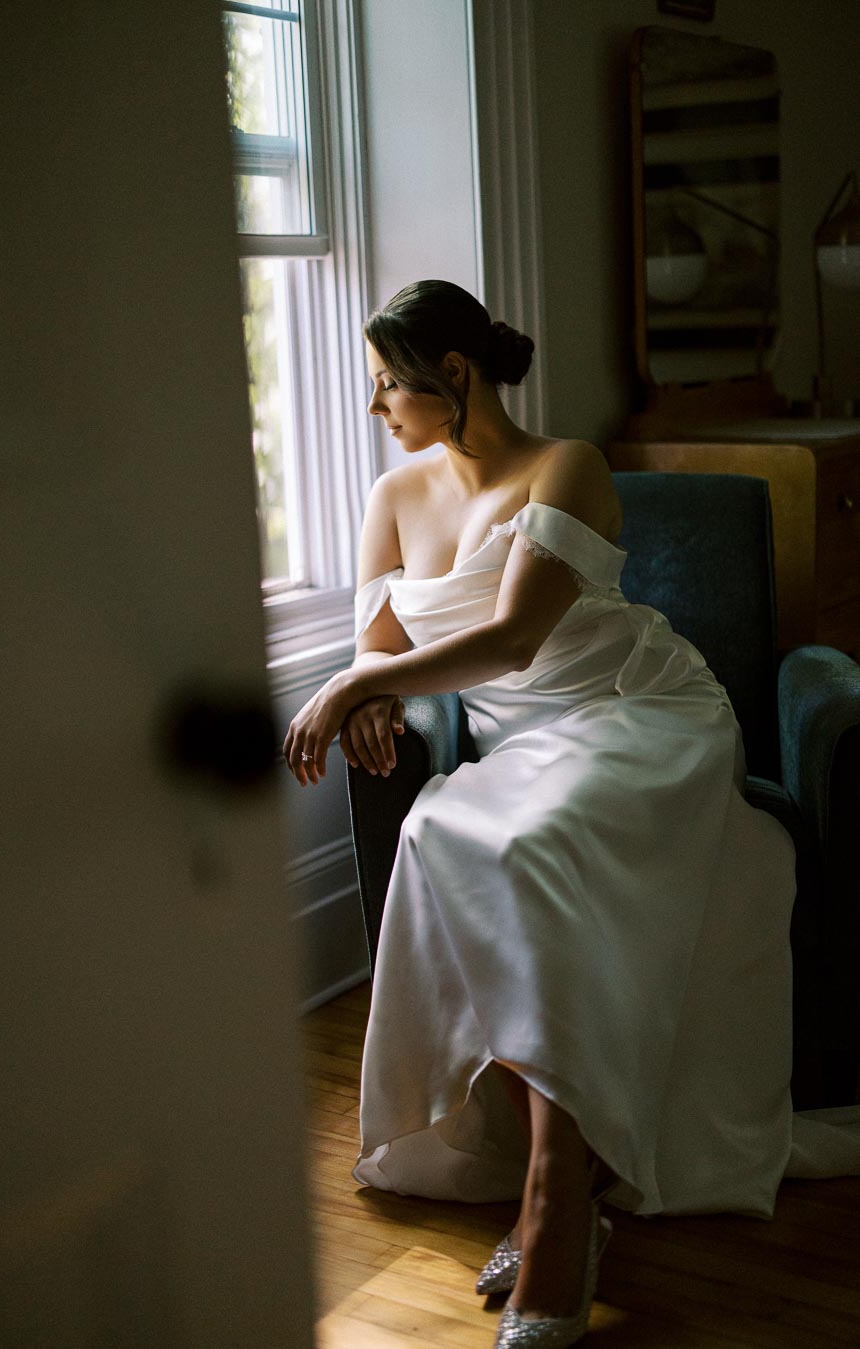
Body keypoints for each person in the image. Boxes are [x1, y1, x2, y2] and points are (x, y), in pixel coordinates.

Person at [284, 280, 859, 1347]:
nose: (375, 408)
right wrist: (368, 686)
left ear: (454, 376)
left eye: (386, 386)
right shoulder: (393, 495)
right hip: (522, 742)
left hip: (640, 713)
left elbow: (508, 640)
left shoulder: (569, 466)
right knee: (436, 833)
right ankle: (576, 1160)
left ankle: (553, 1193)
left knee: (535, 845)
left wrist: (346, 690)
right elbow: (382, 639)